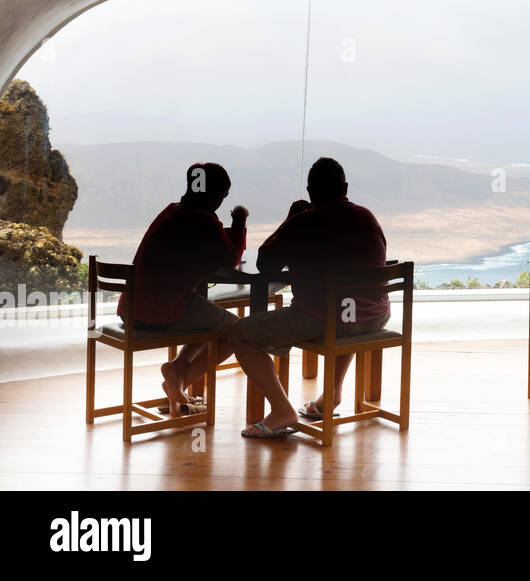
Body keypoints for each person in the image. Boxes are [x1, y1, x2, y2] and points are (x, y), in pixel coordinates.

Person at [233, 157, 390, 438]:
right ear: (345, 187)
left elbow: (265, 264)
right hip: (374, 315)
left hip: (329, 320)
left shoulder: (304, 223)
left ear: (310, 191)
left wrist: (290, 220)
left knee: (240, 333)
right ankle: (331, 395)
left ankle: (282, 409)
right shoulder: (366, 216)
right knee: (346, 310)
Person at [120, 162, 247, 417]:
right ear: (215, 194)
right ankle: (179, 377)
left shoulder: (171, 212)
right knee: (238, 331)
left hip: (130, 309)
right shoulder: (203, 220)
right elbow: (229, 259)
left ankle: (177, 373)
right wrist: (239, 219)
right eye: (223, 194)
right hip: (163, 311)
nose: (222, 200)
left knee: (208, 317)